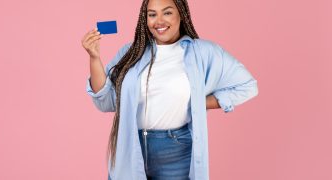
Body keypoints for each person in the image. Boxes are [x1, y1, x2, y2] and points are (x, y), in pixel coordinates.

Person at [81, 0, 258, 179]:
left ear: (181, 13)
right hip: (129, 148)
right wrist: (94, 58)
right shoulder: (131, 53)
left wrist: (199, 102)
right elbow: (106, 101)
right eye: (152, 14)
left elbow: (248, 86)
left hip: (176, 152)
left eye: (167, 13)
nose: (159, 21)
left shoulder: (203, 52)